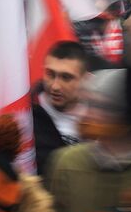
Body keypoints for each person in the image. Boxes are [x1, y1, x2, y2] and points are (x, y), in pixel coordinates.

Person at [47, 69, 131, 212]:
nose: (88, 114)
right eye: (87, 103)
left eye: (100, 106)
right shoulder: (67, 162)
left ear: (126, 112)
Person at [31, 40, 93, 178]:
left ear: (86, 79)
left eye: (66, 77)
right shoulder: (27, 113)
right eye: (50, 74)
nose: (55, 86)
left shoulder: (101, 114)